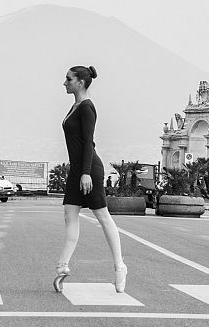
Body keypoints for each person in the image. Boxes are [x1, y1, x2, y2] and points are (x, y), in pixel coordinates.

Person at [54, 65, 126, 293]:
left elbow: (88, 142)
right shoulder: (75, 106)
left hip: (89, 169)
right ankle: (63, 266)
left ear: (80, 83)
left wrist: (85, 173)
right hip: (77, 170)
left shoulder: (87, 107)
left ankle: (120, 267)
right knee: (69, 214)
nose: (64, 83)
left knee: (103, 217)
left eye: (68, 79)